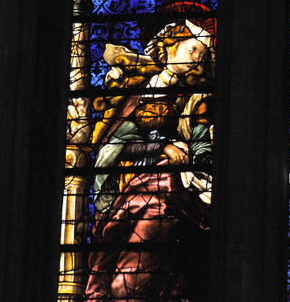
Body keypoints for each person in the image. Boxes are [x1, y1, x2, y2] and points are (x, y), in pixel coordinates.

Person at [85, 18, 214, 301]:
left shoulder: (196, 99)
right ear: (170, 46)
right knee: (115, 249)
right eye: (193, 51)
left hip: (167, 189)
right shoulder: (139, 90)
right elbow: (115, 147)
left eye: (202, 58)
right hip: (127, 182)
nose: (196, 61)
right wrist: (163, 148)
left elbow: (202, 141)